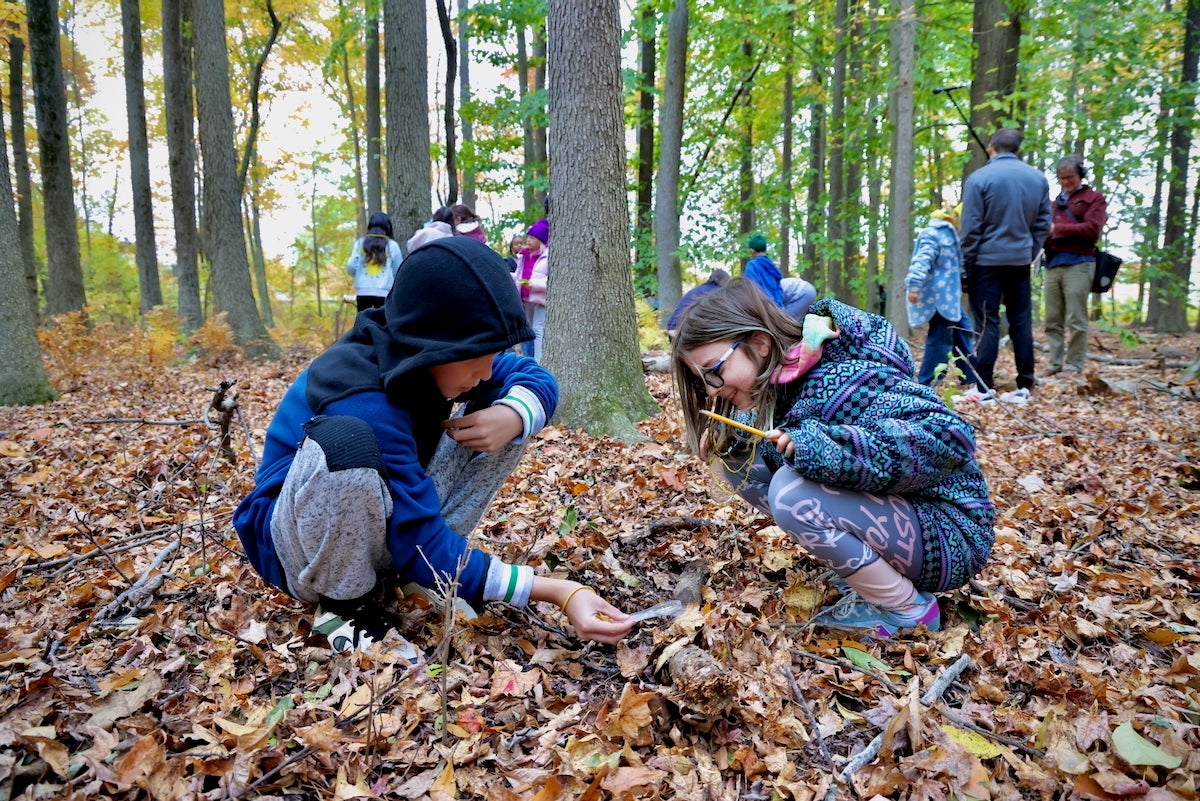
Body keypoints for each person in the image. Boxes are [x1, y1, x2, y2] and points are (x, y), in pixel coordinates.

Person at [233, 237, 633, 657]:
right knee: (344, 444)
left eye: (492, 353)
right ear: (433, 342)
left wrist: (514, 414)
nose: (485, 371)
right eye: (477, 355)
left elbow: (533, 375)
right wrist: (558, 592)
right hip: (302, 548)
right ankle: (346, 607)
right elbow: (418, 538)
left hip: (390, 523)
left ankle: (421, 575)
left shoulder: (432, 356)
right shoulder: (360, 392)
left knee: (514, 405)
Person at [670, 278, 995, 637]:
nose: (714, 389)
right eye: (704, 381)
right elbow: (776, 447)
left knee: (791, 493)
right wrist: (729, 443)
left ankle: (908, 609)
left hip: (951, 535)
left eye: (715, 371)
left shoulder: (842, 378)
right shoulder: (784, 384)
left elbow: (950, 437)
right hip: (913, 526)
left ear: (760, 344)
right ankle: (867, 573)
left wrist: (825, 446)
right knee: (739, 462)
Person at [957, 128, 1052, 406]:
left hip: (986, 261)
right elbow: (1043, 224)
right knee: (1021, 320)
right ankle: (1024, 385)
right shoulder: (1037, 178)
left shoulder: (979, 178)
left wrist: (966, 267)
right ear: (1018, 150)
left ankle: (984, 387)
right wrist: (1029, 252)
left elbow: (971, 228)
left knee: (987, 322)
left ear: (990, 148)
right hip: (1019, 261)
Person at [1042, 156, 1107, 376]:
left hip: (1079, 263)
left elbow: (1092, 229)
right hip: (1052, 264)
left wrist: (1057, 230)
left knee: (1076, 319)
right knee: (1052, 319)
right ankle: (1054, 363)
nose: (1066, 182)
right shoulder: (1053, 203)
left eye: (1070, 177)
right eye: (1062, 178)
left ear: (1080, 175)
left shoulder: (1094, 199)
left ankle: (1074, 364)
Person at [904, 206, 980, 387]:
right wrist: (914, 285)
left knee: (963, 331)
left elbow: (956, 267)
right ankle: (927, 383)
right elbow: (922, 259)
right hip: (937, 298)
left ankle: (972, 377)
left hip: (950, 299)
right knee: (940, 340)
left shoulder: (952, 235)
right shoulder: (935, 233)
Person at [345, 212, 403, 312]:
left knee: (363, 323)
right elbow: (398, 269)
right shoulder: (392, 246)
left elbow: (351, 266)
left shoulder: (360, 244)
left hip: (363, 292)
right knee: (382, 324)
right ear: (388, 227)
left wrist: (358, 274)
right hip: (385, 293)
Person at [513, 218, 549, 361]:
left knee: (538, 329)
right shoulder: (523, 255)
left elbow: (550, 280)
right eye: (528, 237)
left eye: (532, 238)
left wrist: (533, 284)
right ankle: (529, 358)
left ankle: (539, 360)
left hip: (540, 299)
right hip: (525, 298)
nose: (528, 240)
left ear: (540, 240)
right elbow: (518, 274)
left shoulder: (547, 256)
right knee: (528, 329)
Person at [664, 269, 730, 339]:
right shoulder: (716, 293)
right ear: (724, 281)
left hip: (672, 328)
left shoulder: (698, 290)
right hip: (683, 331)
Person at [743, 234, 784, 307]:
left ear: (752, 250)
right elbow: (779, 290)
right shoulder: (773, 267)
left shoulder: (752, 265)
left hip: (762, 309)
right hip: (777, 309)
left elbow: (751, 289)